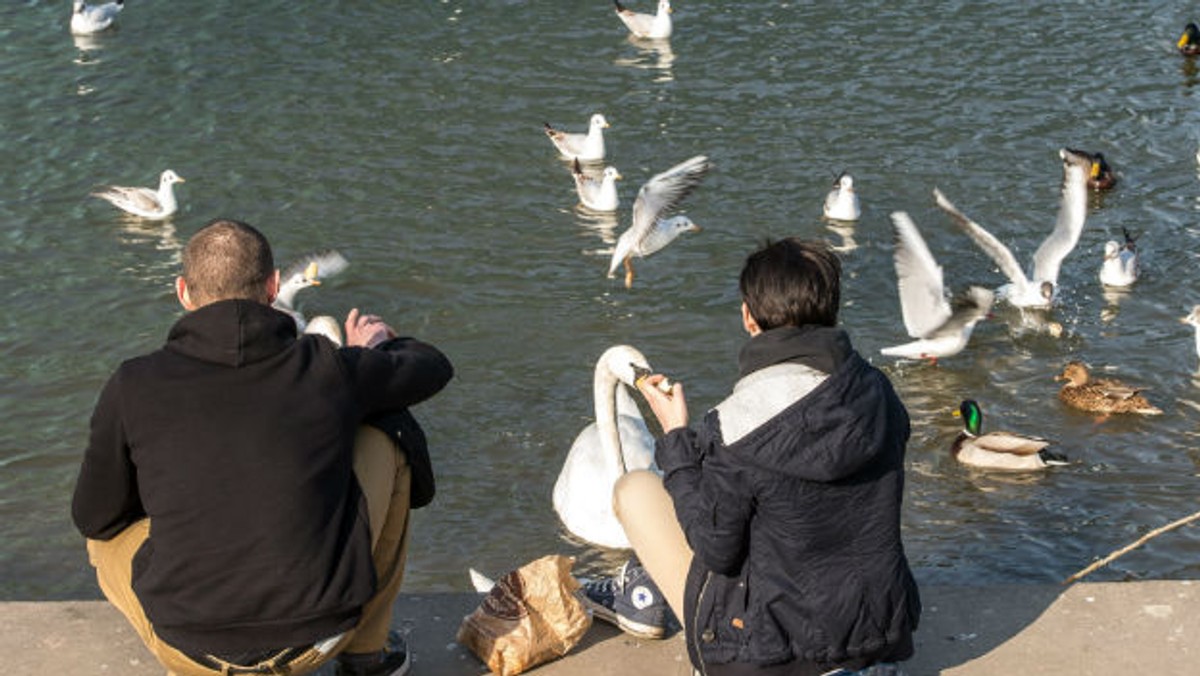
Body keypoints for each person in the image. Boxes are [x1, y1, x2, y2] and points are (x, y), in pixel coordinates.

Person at [72, 218, 453, 676]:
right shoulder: (326, 367)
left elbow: (95, 516)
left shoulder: (133, 383)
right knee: (387, 437)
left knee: (102, 537)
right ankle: (366, 659)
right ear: (274, 286)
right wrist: (369, 354)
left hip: (192, 652)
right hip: (318, 639)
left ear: (182, 292)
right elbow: (432, 366)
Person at [583, 237, 921, 675]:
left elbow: (715, 547)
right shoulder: (881, 394)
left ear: (747, 316)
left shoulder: (734, 424)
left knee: (635, 489)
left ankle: (640, 598)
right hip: (875, 644)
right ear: (833, 310)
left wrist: (677, 438)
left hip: (772, 660)